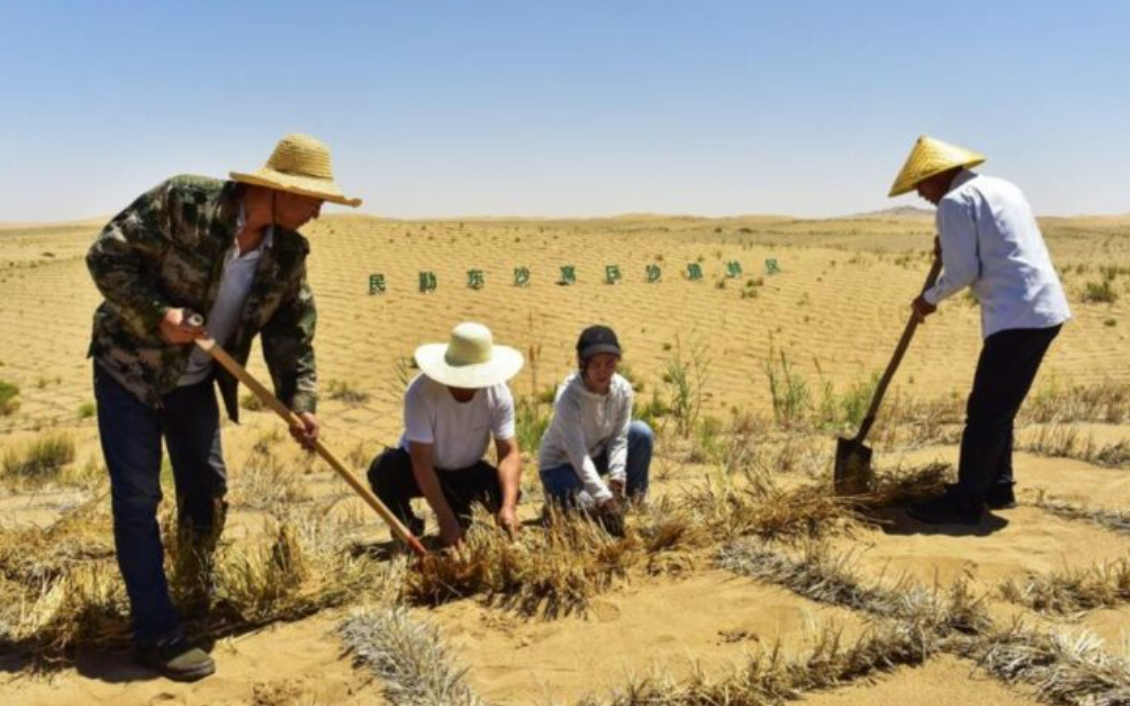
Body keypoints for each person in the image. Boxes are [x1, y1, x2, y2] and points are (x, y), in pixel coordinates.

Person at [86, 133, 360, 681]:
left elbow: (291, 332)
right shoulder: (183, 203)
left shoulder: (288, 254)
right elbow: (106, 256)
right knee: (138, 497)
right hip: (129, 373)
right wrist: (156, 313)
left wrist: (299, 401)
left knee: (206, 489)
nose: (317, 213)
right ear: (278, 191)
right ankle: (156, 630)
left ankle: (192, 586)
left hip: (194, 382)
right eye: (312, 200)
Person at [888, 135, 1071, 525]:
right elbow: (988, 246)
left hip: (1017, 314)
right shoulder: (1002, 187)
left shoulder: (955, 202)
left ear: (940, 173)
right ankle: (998, 487)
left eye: (921, 183)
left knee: (985, 411)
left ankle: (966, 502)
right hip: (1042, 309)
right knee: (1000, 407)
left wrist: (929, 298)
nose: (920, 193)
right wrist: (950, 250)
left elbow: (963, 271)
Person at [368, 322, 524, 547]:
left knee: (509, 492)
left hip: (466, 471)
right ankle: (406, 523)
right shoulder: (421, 392)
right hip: (421, 470)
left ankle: (463, 511)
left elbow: (509, 452)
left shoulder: (499, 394)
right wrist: (446, 521)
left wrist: (508, 508)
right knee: (383, 472)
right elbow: (420, 460)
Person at [538, 325, 654, 535]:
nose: (603, 371)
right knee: (592, 512)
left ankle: (635, 503)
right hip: (561, 465)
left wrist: (616, 484)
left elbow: (619, 439)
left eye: (610, 364)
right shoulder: (568, 398)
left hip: (596, 455)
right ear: (583, 364)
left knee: (641, 433)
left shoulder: (623, 390)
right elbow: (577, 454)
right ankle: (557, 503)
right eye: (596, 364)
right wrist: (604, 498)